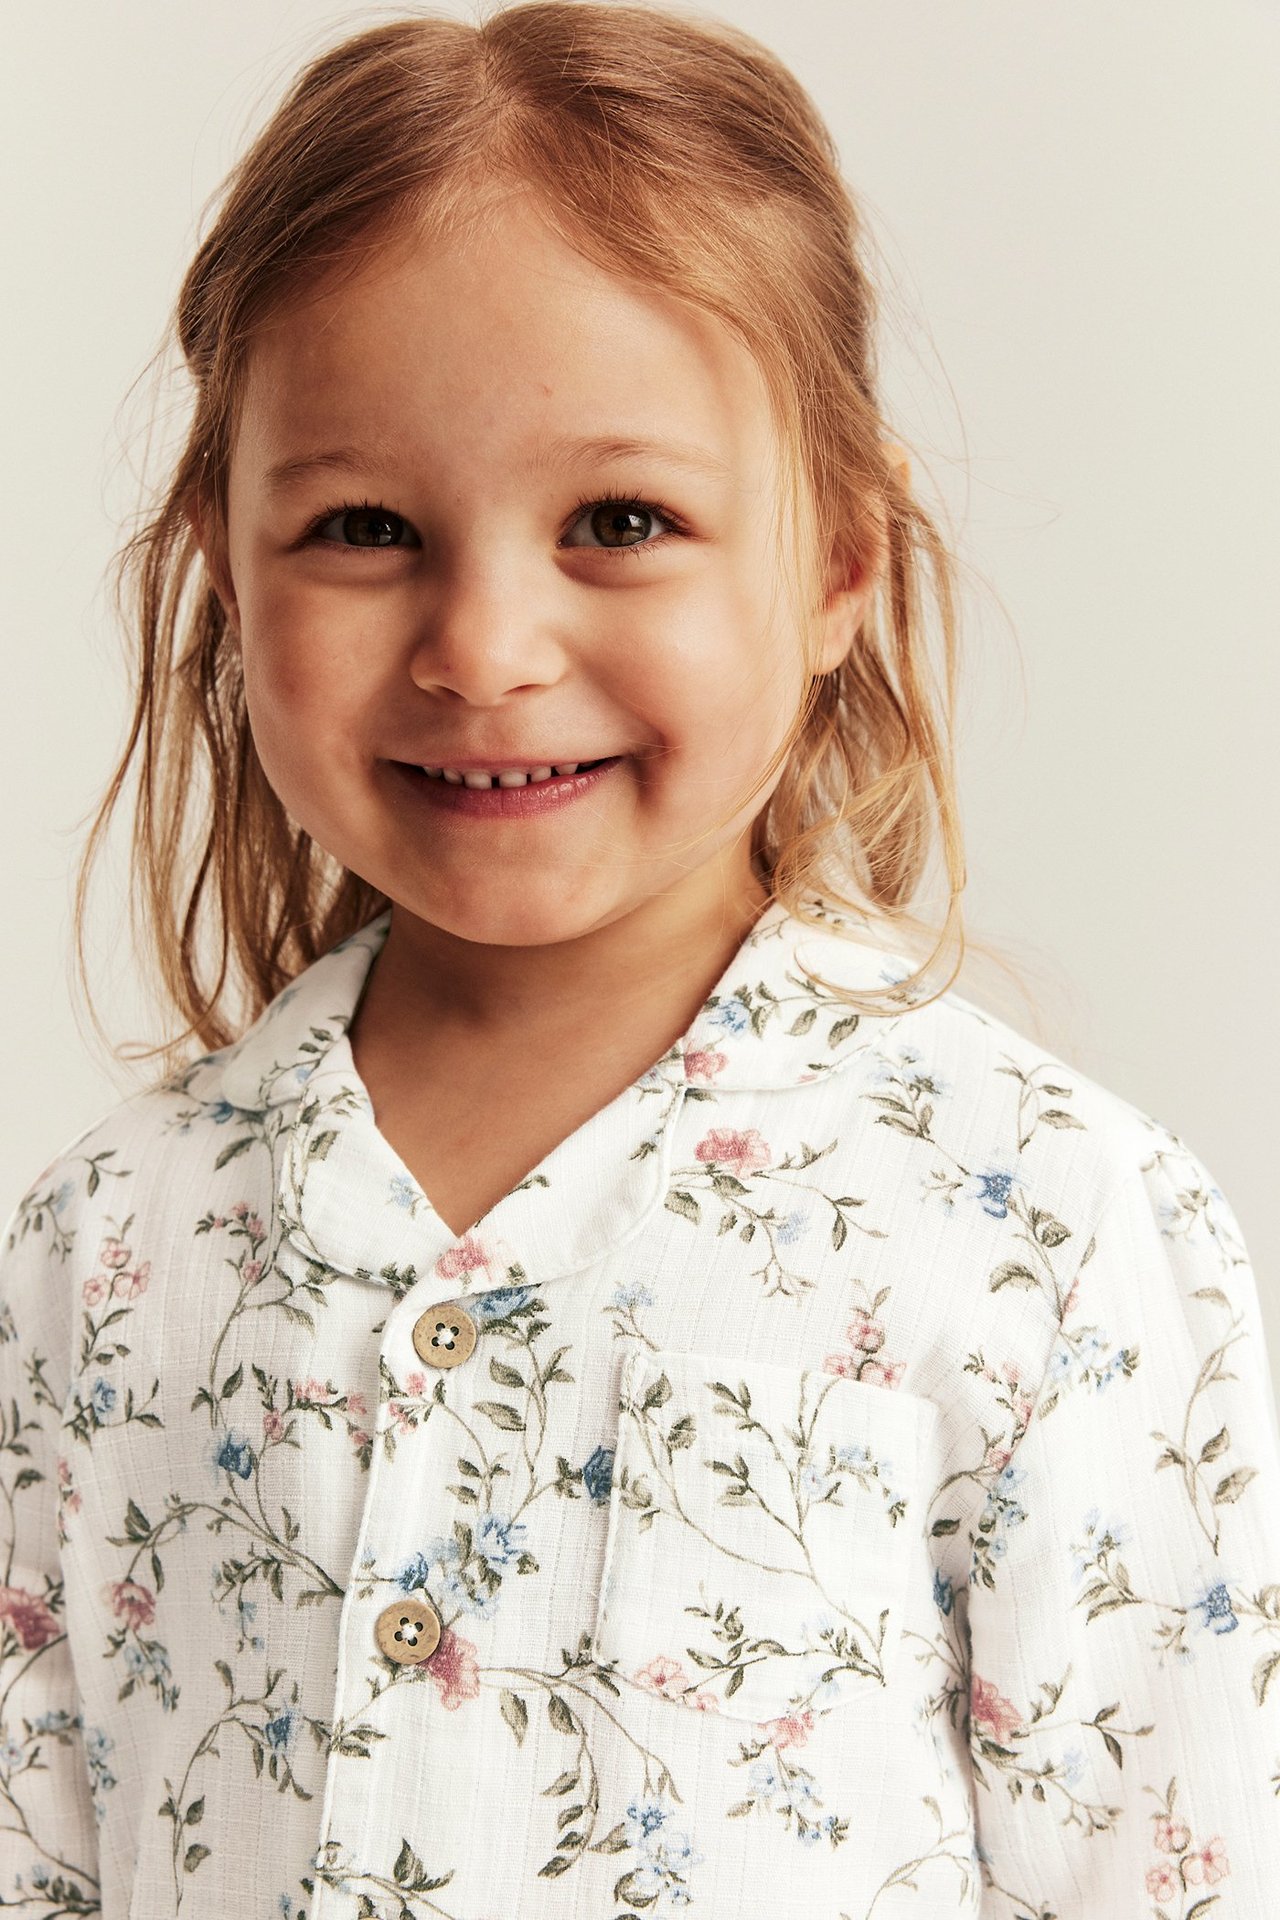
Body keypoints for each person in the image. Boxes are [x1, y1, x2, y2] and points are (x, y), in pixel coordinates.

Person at [3, 4, 1277, 1915]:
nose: (485, 645)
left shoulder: (1045, 1234)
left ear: (843, 561)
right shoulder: (107, 1253)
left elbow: (1173, 1864)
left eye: (622, 522)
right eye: (364, 526)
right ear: (221, 562)